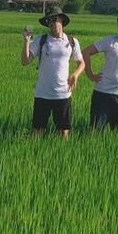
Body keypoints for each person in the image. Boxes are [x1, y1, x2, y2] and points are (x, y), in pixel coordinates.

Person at [22, 10, 85, 139]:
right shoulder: (41, 40)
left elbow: (81, 63)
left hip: (63, 93)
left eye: (54, 20)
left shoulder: (72, 41)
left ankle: (63, 155)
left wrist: (75, 75)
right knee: (37, 130)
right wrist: (26, 41)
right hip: (42, 93)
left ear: (62, 21)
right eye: (49, 21)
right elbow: (25, 61)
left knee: (63, 131)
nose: (51, 23)